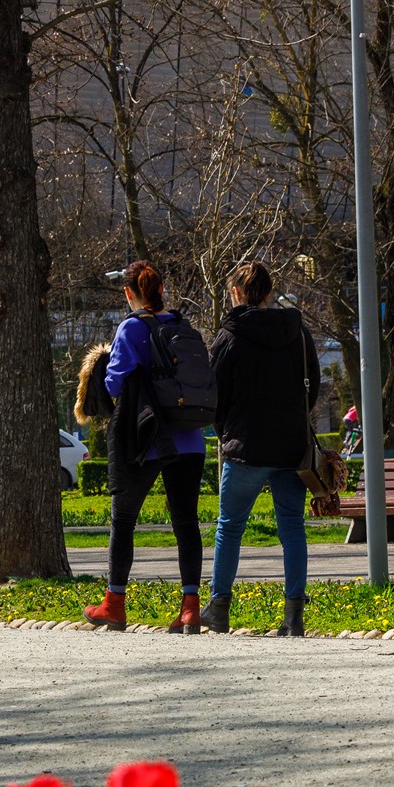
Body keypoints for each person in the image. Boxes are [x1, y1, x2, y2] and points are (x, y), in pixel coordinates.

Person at [83, 260, 207, 633]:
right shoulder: (182, 325)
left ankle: (114, 604)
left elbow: (115, 384)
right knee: (186, 521)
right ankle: (190, 609)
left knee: (124, 520)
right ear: (161, 289)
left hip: (146, 438)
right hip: (189, 438)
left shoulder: (131, 328)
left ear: (128, 293)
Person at [201, 262, 323, 636]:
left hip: (246, 446)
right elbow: (312, 387)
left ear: (237, 292)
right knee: (292, 528)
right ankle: (293, 616)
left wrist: (226, 432)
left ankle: (219, 608)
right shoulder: (297, 332)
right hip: (291, 446)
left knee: (230, 527)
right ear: (269, 292)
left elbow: (214, 395)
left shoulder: (230, 335)